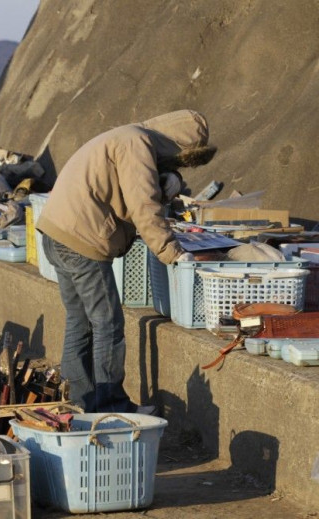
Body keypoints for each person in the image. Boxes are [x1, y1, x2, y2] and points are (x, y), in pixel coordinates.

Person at [36, 109, 217, 414]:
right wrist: (171, 251)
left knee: (79, 322)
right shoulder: (137, 144)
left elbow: (125, 189)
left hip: (57, 234)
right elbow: (143, 204)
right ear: (179, 146)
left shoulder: (126, 136)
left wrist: (163, 184)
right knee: (108, 324)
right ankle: (111, 407)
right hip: (83, 240)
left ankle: (81, 404)